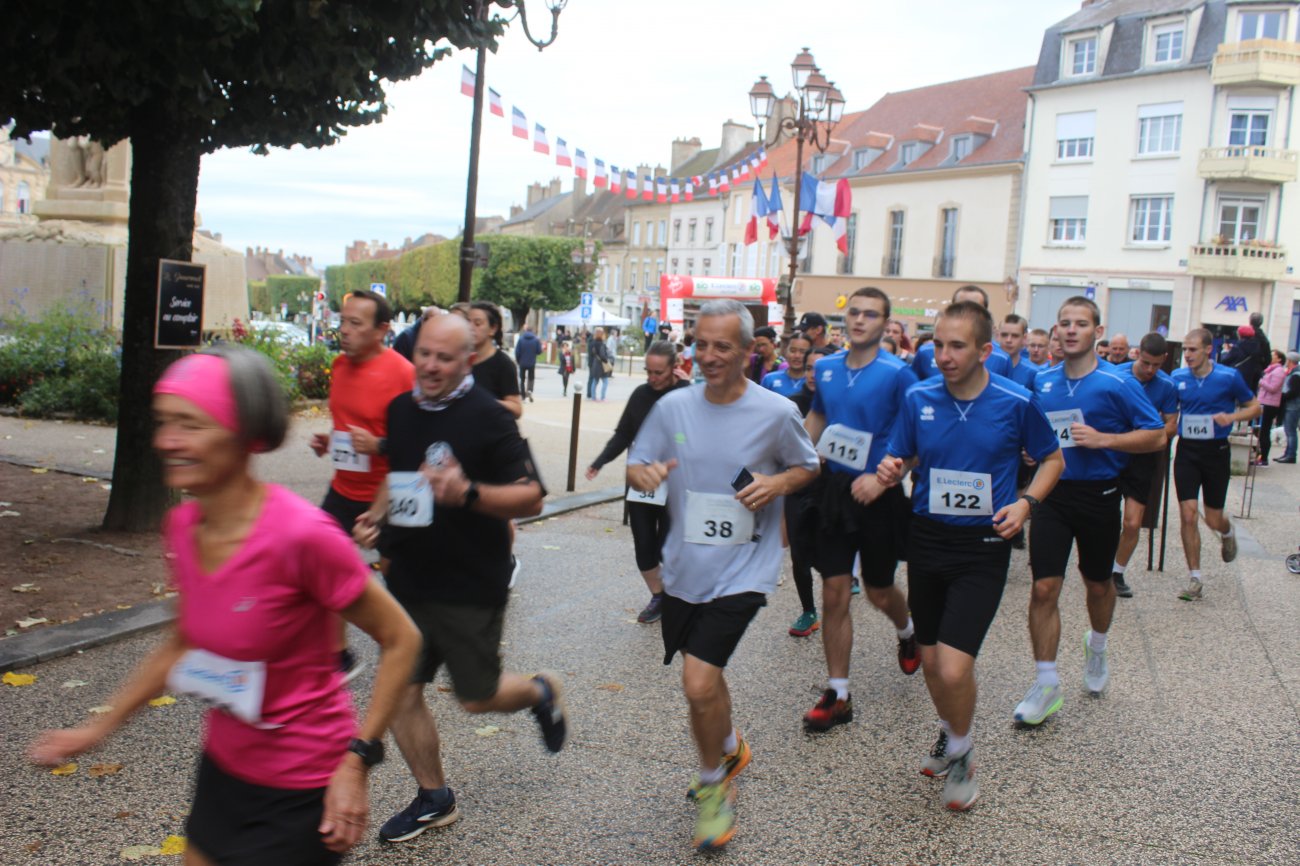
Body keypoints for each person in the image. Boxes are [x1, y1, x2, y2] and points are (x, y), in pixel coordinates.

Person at [32, 346, 422, 865]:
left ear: (242, 435)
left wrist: (358, 761)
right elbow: (183, 641)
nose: (166, 441)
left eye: (189, 425)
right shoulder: (184, 528)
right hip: (224, 768)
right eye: (164, 423)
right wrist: (97, 729)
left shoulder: (303, 537)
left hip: (305, 789)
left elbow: (402, 639)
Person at [352, 315, 566, 845]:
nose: (429, 365)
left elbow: (532, 495)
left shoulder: (489, 418)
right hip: (407, 579)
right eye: (424, 353)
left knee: (476, 697)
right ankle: (434, 797)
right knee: (401, 692)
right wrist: (377, 516)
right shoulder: (401, 410)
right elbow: (398, 477)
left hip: (470, 582)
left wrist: (466, 492)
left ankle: (540, 691)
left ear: (468, 360)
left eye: (444, 358)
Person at [627, 299, 818, 851]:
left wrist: (777, 485)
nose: (707, 356)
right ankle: (731, 744)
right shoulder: (672, 408)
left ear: (748, 350)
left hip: (745, 568)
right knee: (705, 680)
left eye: (722, 346)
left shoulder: (776, 412)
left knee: (697, 682)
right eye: (701, 344)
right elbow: (641, 464)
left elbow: (808, 467)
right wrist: (642, 471)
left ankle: (714, 787)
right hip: (686, 568)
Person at [879, 301, 1063, 812]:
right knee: (934, 664)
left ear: (985, 350)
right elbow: (904, 452)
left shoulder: (1015, 400)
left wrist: (1026, 504)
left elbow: (1053, 459)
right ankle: (951, 732)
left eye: (956, 345)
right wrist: (894, 467)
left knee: (955, 669)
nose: (943, 355)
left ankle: (962, 754)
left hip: (982, 547)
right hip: (927, 540)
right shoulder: (919, 397)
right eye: (937, 344)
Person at [1015, 296, 1165, 726]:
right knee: (1044, 588)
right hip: (1053, 496)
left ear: (1097, 332)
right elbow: (1037, 437)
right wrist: (1032, 453)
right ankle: (1046, 684)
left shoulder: (1117, 383)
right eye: (1064, 323)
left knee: (1098, 585)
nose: (1070, 330)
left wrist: (1105, 440)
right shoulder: (1042, 382)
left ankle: (1096, 646)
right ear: (1056, 330)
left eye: (1081, 323)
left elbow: (1155, 435)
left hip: (1099, 496)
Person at [802, 287, 921, 733]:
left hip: (878, 493)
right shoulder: (828, 367)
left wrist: (886, 476)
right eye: (854, 312)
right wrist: (802, 451)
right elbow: (818, 417)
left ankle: (907, 631)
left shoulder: (898, 374)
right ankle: (838, 694)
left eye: (870, 315)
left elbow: (914, 441)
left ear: (887, 324)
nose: (859, 320)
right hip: (834, 491)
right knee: (833, 592)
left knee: (878, 589)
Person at [308, 289, 414, 681]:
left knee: (396, 577)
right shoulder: (339, 365)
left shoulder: (403, 373)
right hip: (343, 488)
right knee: (320, 564)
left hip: (390, 492)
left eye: (356, 324)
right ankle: (339, 657)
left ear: (382, 329)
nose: (344, 331)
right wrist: (329, 441)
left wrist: (380, 444)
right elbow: (348, 424)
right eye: (343, 322)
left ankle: (409, 650)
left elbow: (418, 442)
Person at [587, 341, 691, 624]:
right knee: (644, 546)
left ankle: (677, 598)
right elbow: (623, 434)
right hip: (642, 479)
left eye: (659, 372)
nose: (653, 378)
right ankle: (658, 596)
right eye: (649, 371)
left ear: (674, 368)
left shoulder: (686, 393)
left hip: (676, 480)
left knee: (668, 545)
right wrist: (599, 461)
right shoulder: (640, 395)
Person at [1171, 329, 1261, 601]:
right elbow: (1169, 410)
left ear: (1209, 350)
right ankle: (1195, 578)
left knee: (1212, 517)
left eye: (1193, 350)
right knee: (1187, 514)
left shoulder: (1228, 377)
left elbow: (1255, 408)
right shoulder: (1178, 378)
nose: (1187, 355)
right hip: (1187, 450)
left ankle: (1227, 531)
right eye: (1185, 350)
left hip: (1216, 452)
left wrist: (1231, 416)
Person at [1110, 333, 1180, 597]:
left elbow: (1171, 426)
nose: (1150, 370)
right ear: (1137, 354)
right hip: (1113, 452)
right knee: (1104, 517)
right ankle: (1097, 567)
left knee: (1132, 522)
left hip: (1144, 457)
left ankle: (1117, 572)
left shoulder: (1167, 386)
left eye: (1157, 365)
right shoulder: (1116, 374)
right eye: (1146, 363)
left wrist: (1151, 434)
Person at [786, 345, 839, 636]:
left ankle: (838, 602)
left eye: (820, 370)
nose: (813, 375)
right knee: (799, 554)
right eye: (809, 368)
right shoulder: (792, 403)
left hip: (831, 488)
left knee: (829, 551)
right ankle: (808, 611)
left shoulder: (841, 404)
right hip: (798, 487)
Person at [912, 286, 1011, 380]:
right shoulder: (925, 352)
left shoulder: (1001, 359)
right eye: (960, 308)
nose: (966, 314)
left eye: (973, 309)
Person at [454, 302, 522, 419]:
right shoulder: (457, 359)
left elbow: (516, 409)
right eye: (467, 322)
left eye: (477, 323)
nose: (470, 328)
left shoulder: (503, 364)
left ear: (493, 328)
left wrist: (483, 402)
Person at [1255, 349, 1288, 466]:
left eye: (1273, 356)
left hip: (1270, 404)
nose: (1270, 357)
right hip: (1263, 401)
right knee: (1260, 429)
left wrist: (1261, 382)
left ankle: (1264, 458)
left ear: (1279, 359)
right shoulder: (1270, 370)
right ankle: (1259, 455)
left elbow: (1273, 388)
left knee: (1264, 430)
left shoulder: (1279, 372)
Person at [762, 331, 812, 397]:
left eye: (802, 352)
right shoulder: (769, 379)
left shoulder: (813, 381)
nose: (797, 356)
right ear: (786, 351)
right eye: (792, 351)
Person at [998, 314, 1040, 389]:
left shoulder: (1034, 373)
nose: (1008, 340)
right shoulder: (986, 366)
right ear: (998, 336)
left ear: (1024, 338)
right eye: (1004, 335)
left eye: (1015, 336)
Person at [1221, 324, 1265, 394]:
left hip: (1238, 378)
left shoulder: (1238, 347)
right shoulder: (1257, 347)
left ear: (1240, 334)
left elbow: (1225, 361)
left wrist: (1225, 351)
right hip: (1251, 381)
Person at [1277, 351, 1300, 463]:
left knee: (1290, 431)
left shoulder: (1296, 374)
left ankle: (1291, 455)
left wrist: (1282, 396)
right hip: (1291, 405)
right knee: (1288, 430)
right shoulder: (1292, 373)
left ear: (1290, 361)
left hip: (1293, 405)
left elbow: (1294, 392)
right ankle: (1287, 453)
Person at [513, 325, 542, 402]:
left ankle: (523, 396)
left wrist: (518, 360)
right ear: (532, 331)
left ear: (525, 331)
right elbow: (539, 351)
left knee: (522, 379)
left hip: (522, 362)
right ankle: (529, 390)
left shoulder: (521, 339)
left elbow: (517, 352)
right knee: (531, 378)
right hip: (532, 362)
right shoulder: (536, 340)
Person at [587, 326, 613, 401]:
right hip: (601, 365)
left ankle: (593, 397)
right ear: (602, 334)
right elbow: (602, 355)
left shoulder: (592, 342)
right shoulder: (601, 344)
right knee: (605, 381)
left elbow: (591, 353)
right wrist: (606, 360)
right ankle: (603, 397)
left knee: (595, 381)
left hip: (595, 364)